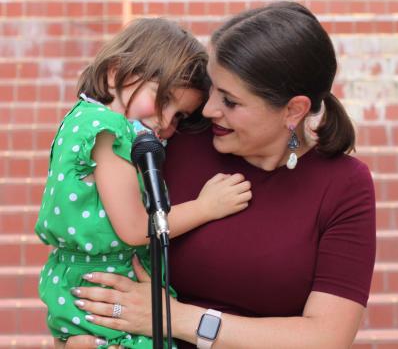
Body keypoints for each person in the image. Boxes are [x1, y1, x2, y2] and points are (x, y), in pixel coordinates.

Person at [65, 1, 376, 348]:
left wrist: (176, 318)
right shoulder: (175, 134)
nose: (209, 108)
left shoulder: (344, 185)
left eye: (229, 100)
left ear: (293, 110)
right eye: (212, 88)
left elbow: (326, 339)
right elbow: (87, 221)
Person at [34, 18, 252, 348]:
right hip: (106, 286)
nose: (166, 122)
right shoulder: (107, 130)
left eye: (179, 114)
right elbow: (136, 228)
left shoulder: (81, 119)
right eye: (164, 100)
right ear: (115, 72)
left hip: (83, 280)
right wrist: (207, 207)